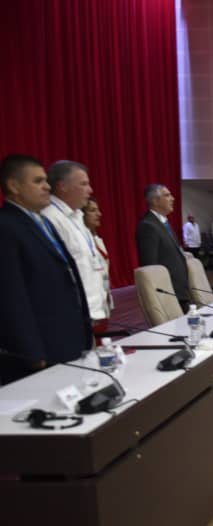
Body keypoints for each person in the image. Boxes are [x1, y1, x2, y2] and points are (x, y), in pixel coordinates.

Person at [0, 154, 92, 384]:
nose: (47, 187)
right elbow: (11, 296)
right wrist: (31, 351)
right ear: (14, 186)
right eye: (38, 181)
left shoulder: (43, 222)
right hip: (41, 348)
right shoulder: (6, 227)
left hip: (67, 338)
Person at [42, 160, 109, 324]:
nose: (90, 190)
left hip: (92, 311)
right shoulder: (50, 218)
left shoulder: (78, 216)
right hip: (73, 315)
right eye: (83, 184)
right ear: (63, 186)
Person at [136, 184, 191, 311]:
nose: (172, 198)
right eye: (167, 195)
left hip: (179, 290)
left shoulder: (163, 222)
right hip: (167, 293)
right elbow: (150, 266)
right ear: (155, 201)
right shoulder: (148, 225)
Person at [82, 197, 113, 335]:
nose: (99, 214)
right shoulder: (81, 241)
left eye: (98, 210)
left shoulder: (96, 239)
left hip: (103, 298)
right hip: (92, 303)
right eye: (92, 210)